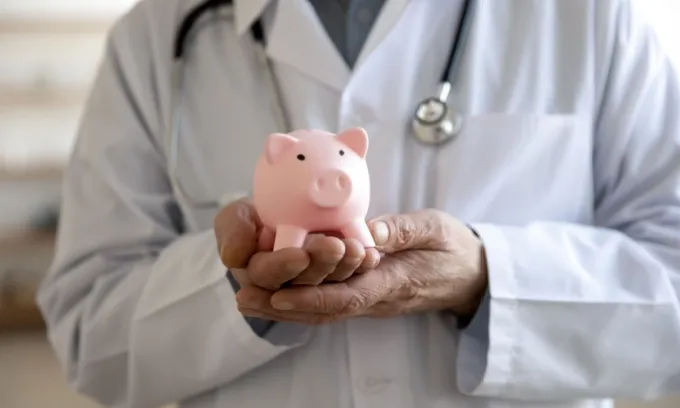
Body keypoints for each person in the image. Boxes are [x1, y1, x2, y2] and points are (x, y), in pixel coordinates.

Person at [36, 0, 680, 407]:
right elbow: (91, 332)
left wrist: (485, 276)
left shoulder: (596, 16)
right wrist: (234, 285)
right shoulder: (157, 35)